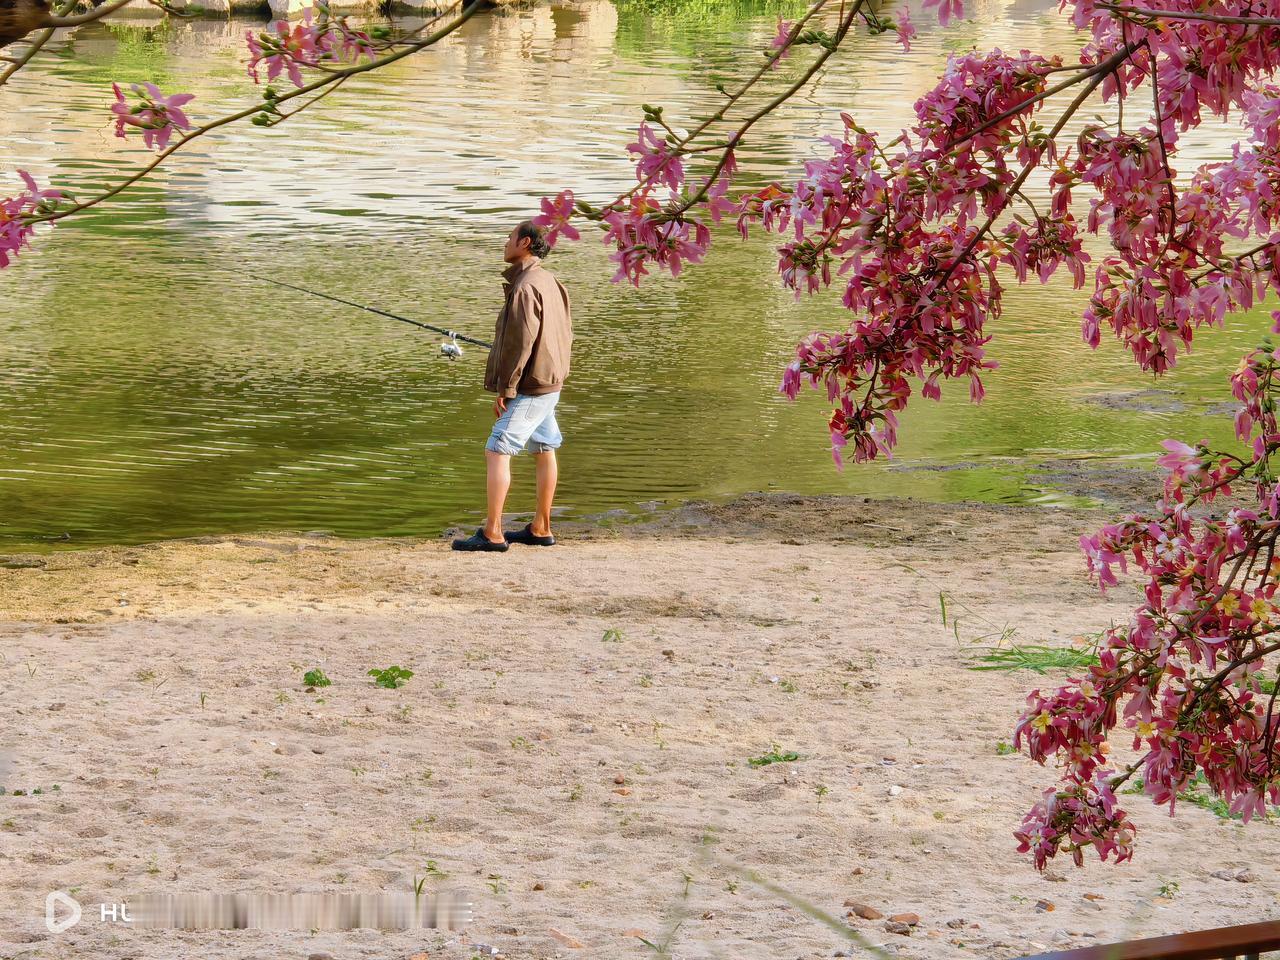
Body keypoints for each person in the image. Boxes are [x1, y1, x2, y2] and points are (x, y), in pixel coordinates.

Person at [452, 221, 572, 553]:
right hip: (551, 381)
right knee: (545, 447)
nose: (505, 243)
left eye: (509, 238)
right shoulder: (550, 281)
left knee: (497, 449)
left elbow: (521, 344)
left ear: (525, 242)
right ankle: (540, 527)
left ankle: (492, 533)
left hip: (532, 386)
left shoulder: (524, 287)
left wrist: (507, 389)